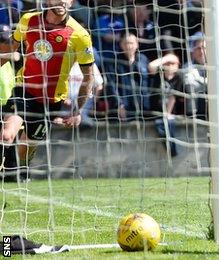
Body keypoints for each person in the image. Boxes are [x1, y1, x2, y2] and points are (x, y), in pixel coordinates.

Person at [0, 0, 95, 181]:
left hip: (51, 101)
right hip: (24, 89)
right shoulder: (28, 20)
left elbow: (88, 76)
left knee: (25, 148)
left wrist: (79, 109)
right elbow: (10, 48)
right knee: (6, 134)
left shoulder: (80, 35)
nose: (61, 1)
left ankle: (23, 168)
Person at [103, 32, 150, 121]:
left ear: (137, 44)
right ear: (121, 45)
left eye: (131, 43)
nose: (129, 46)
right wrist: (119, 105)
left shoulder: (143, 60)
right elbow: (111, 85)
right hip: (124, 108)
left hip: (144, 108)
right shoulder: (113, 62)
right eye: (126, 43)